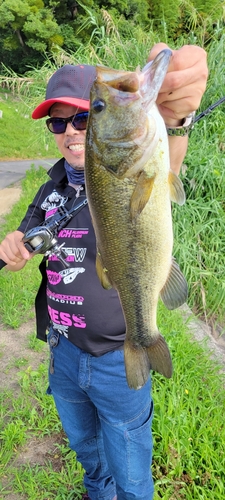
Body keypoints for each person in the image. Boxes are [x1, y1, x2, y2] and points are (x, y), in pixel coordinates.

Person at [0, 43, 208, 500]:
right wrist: (15, 245)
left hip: (117, 358)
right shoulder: (50, 188)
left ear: (95, 127)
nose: (71, 131)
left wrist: (176, 120)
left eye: (82, 117)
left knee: (131, 471)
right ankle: (98, 489)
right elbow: (27, 235)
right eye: (57, 122)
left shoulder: (130, 165)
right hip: (64, 352)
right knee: (87, 452)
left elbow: (167, 163)